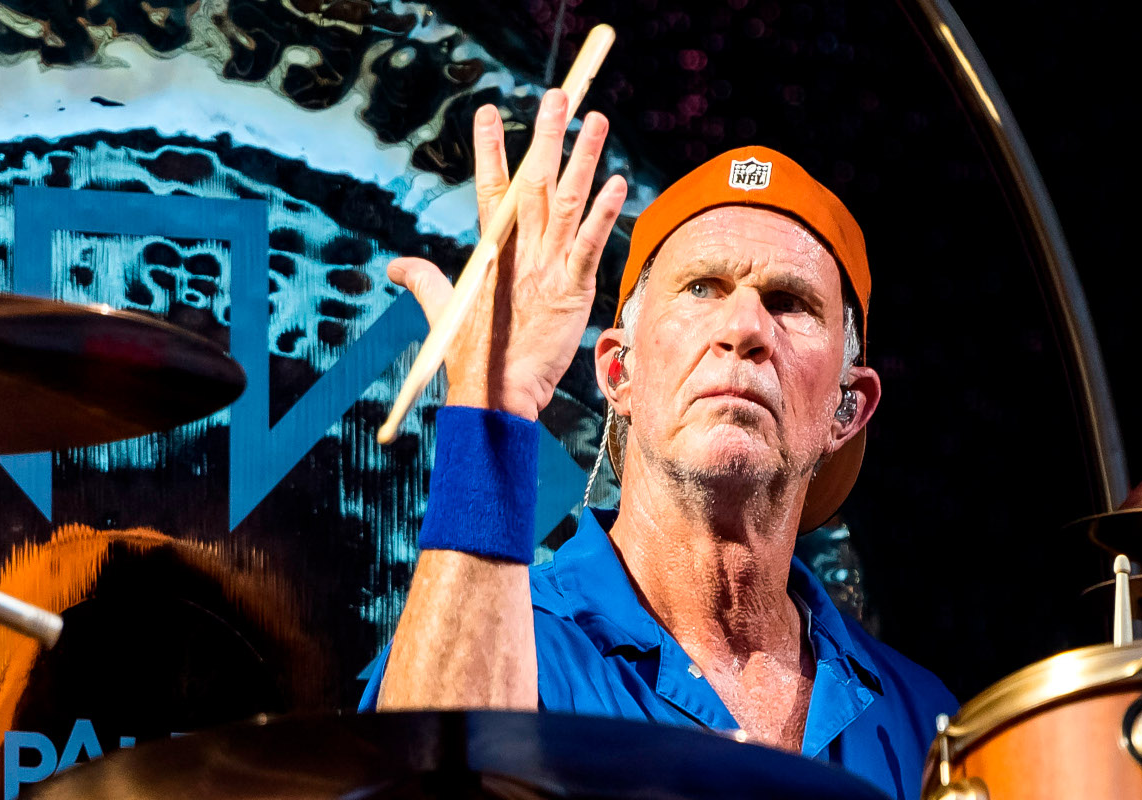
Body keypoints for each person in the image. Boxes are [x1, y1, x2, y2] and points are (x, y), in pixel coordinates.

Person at [358, 88, 956, 799]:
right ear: (619, 372)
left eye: (789, 302)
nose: (745, 328)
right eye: (702, 288)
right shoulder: (510, 641)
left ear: (848, 409)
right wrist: (498, 406)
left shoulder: (927, 724)